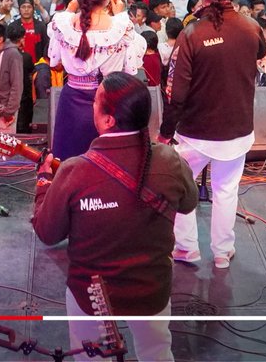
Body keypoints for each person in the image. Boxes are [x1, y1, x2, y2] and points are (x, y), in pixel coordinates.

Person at [33, 72, 197, 362]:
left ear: (108, 120)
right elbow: (188, 204)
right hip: (151, 290)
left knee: (90, 356)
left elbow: (47, 233)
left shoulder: (74, 171)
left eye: (96, 102)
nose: (92, 107)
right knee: (157, 351)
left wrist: (44, 184)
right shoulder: (170, 161)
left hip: (91, 293)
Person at [161, 0, 265, 268]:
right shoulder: (251, 27)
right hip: (237, 129)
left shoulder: (192, 33)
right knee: (226, 190)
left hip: (196, 131)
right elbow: (260, 51)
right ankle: (222, 252)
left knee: (182, 188)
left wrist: (166, 132)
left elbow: (175, 93)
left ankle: (187, 248)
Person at [47, 0, 145, 160]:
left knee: (68, 163)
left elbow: (54, 63)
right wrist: (119, 15)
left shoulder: (63, 24)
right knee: (105, 165)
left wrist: (69, 9)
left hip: (71, 102)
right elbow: (130, 71)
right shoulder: (121, 27)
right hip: (107, 103)